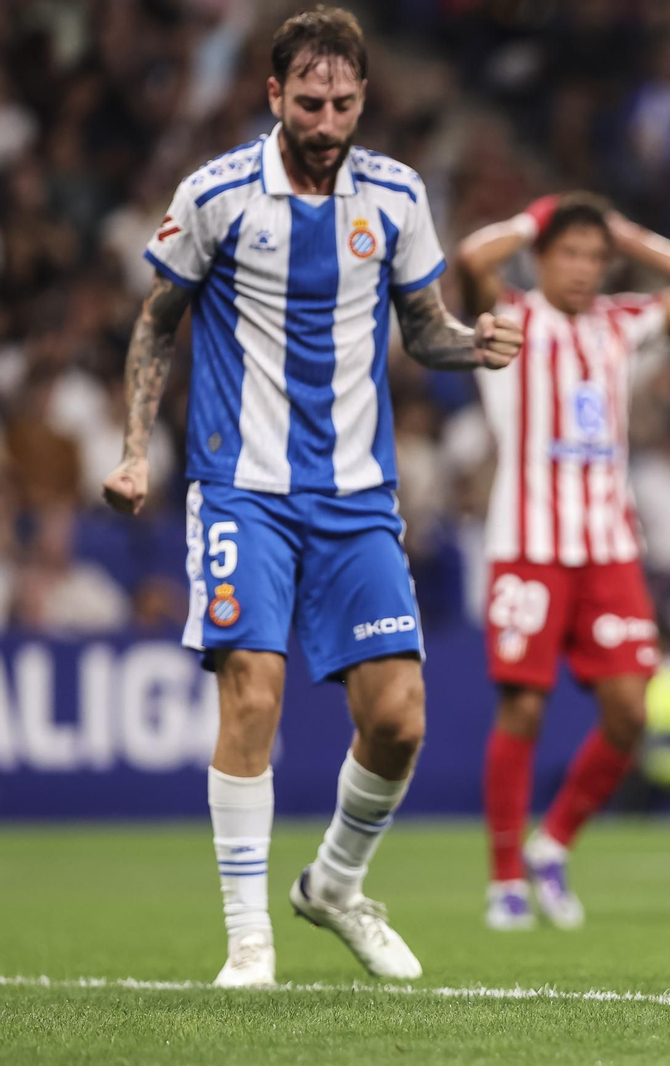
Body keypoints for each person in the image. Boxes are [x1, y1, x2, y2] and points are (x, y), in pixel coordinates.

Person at [100, 8, 523, 988]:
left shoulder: (398, 196)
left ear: (363, 96)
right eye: (308, 102)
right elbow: (157, 322)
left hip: (356, 494)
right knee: (253, 686)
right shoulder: (215, 195)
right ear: (273, 96)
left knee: (401, 718)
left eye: (342, 102)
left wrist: (475, 343)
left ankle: (334, 883)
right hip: (240, 486)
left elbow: (423, 330)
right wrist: (133, 454)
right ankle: (250, 939)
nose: (327, 121)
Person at [456, 192, 670, 930]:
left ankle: (553, 845)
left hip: (609, 549)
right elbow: (471, 259)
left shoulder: (620, 323)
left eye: (593, 256)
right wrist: (533, 216)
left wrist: (633, 237)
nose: (583, 269)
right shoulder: (510, 320)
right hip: (527, 547)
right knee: (522, 704)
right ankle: (504, 877)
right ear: (542, 258)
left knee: (628, 712)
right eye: (568, 253)